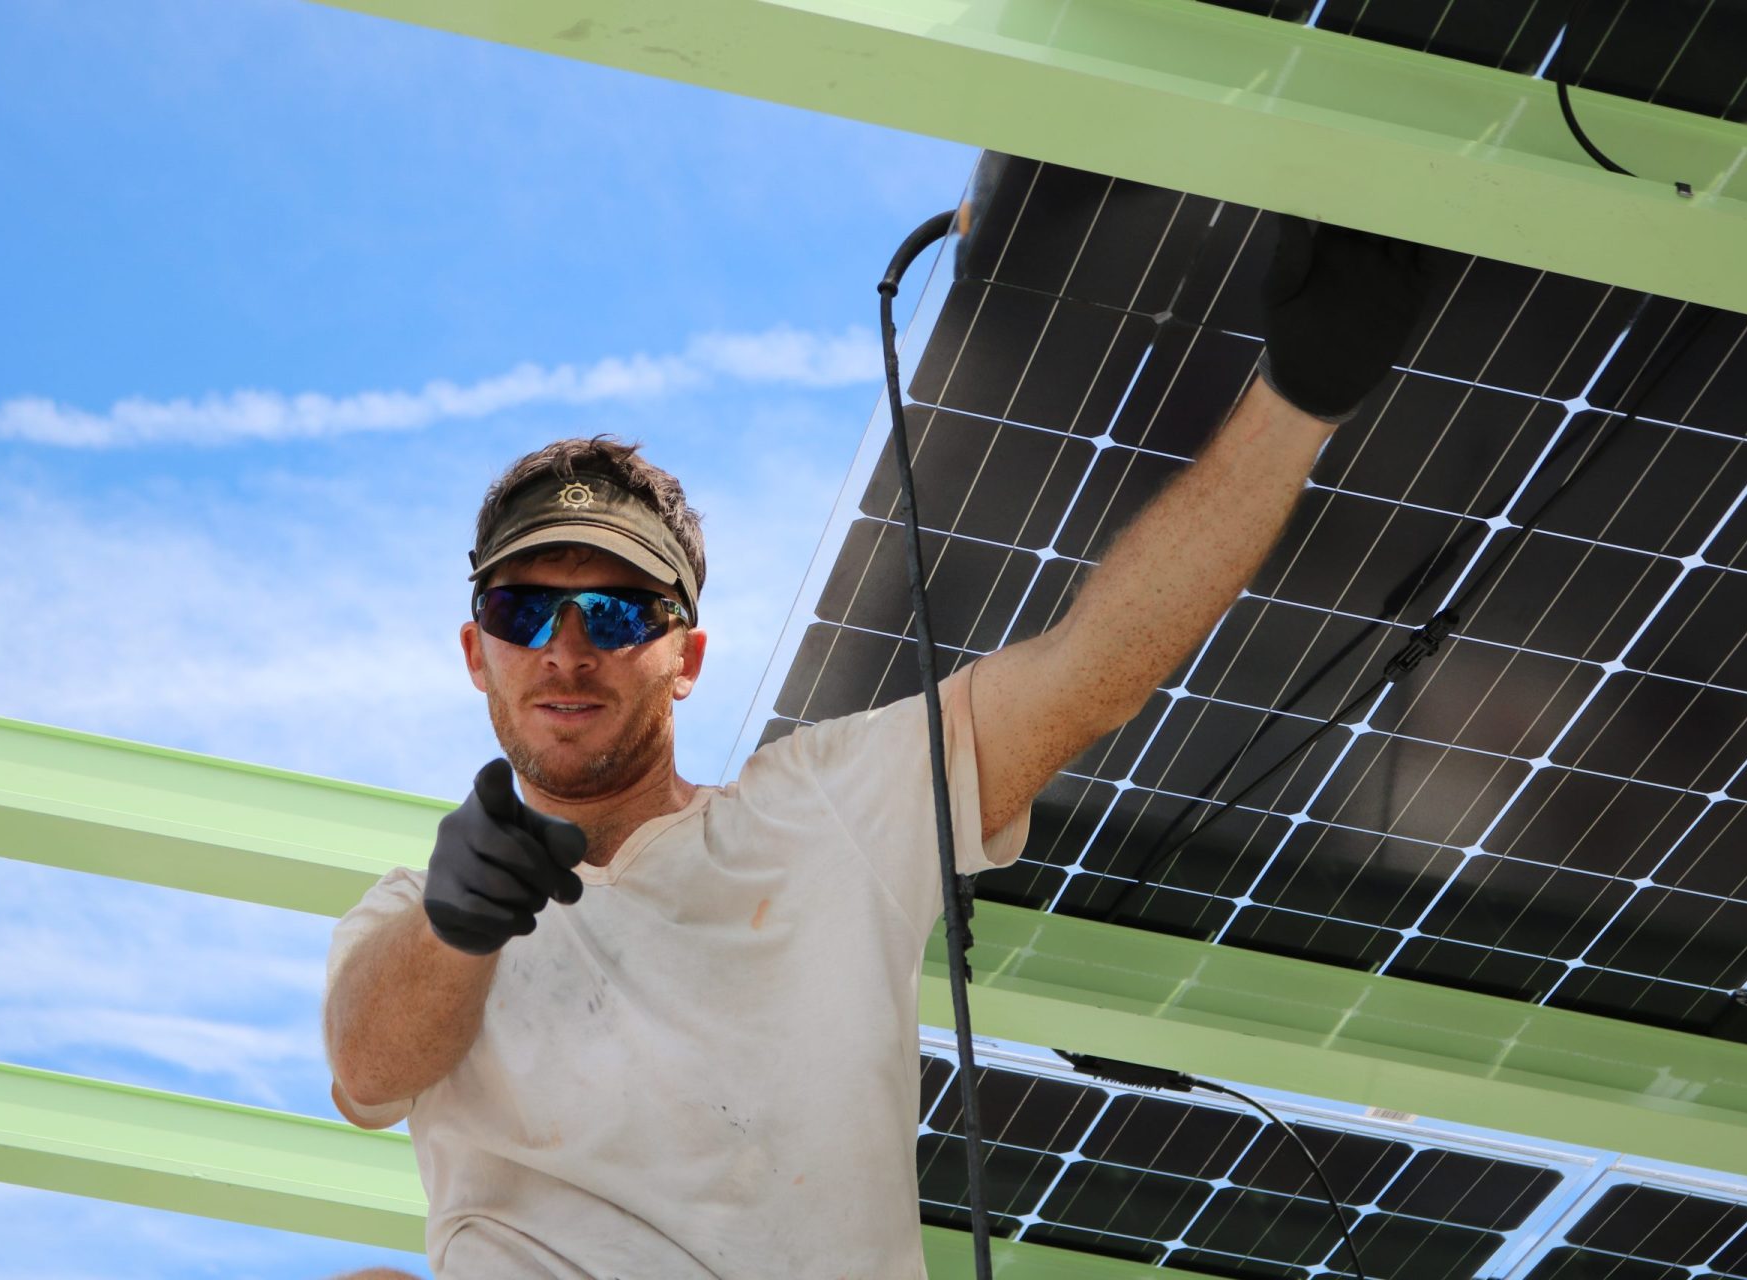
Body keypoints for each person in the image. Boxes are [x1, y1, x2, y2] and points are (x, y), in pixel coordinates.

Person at [321, 217, 1425, 1279]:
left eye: (615, 613)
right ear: (477, 653)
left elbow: (1088, 671)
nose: (567, 651)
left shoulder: (823, 814)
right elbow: (368, 1072)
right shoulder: (406, 919)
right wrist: (456, 926)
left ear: (686, 658)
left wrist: (1297, 402)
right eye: (523, 612)